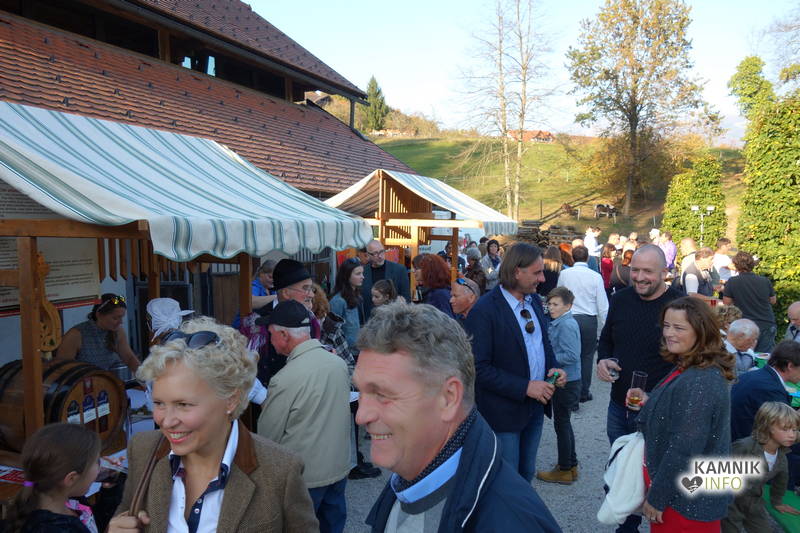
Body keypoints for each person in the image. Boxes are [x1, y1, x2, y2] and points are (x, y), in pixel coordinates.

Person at [354, 301, 562, 532]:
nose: (361, 416)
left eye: (382, 394)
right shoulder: (409, 474)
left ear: (449, 397)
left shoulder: (512, 521)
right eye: (360, 392)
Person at [109, 316, 318, 532]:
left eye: (183, 404)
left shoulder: (280, 471)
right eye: (159, 403)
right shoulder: (143, 450)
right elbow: (126, 513)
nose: (167, 421)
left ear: (231, 399)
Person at [595, 244, 682, 533]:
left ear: (665, 272)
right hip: (619, 406)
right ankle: (627, 527)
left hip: (660, 412)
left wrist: (657, 398)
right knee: (621, 473)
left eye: (648, 271)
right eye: (635, 270)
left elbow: (689, 360)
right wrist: (603, 359)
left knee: (658, 475)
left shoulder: (679, 306)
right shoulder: (620, 299)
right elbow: (606, 339)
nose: (640, 277)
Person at [464, 243, 566, 482]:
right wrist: (526, 387)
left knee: (526, 474)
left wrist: (553, 366)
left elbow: (543, 344)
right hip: (503, 414)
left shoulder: (534, 301)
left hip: (535, 408)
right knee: (506, 480)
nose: (543, 279)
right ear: (517, 272)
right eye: (537, 273)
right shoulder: (485, 310)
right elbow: (478, 368)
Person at [632, 297, 734, 530]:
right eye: (666, 326)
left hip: (684, 503)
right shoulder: (691, 364)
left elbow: (686, 447)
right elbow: (682, 412)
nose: (669, 333)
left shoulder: (701, 379)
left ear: (701, 331)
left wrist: (658, 497)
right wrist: (650, 401)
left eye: (678, 328)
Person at [258, 301, 352, 533]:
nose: (270, 341)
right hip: (338, 467)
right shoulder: (338, 364)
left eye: (270, 334)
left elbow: (269, 437)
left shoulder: (285, 378)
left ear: (284, 335)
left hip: (304, 477)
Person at [3, 423, 101, 533]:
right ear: (71, 479)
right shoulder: (50, 529)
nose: (100, 467)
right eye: (97, 462)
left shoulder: (70, 500)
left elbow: (92, 525)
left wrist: (110, 489)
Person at [242, 258, 322, 386]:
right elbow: (247, 370)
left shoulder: (311, 318)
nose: (312, 295)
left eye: (311, 289)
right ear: (286, 293)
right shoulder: (256, 322)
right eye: (306, 288)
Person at [722, 402, 800, 533]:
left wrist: (777, 502)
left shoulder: (781, 456)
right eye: (785, 429)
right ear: (767, 426)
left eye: (795, 430)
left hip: (754, 502)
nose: (792, 435)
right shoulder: (744, 447)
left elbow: (781, 481)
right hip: (731, 501)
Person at [536, 286, 582, 484]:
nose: (551, 308)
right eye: (549, 304)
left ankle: (564, 469)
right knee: (564, 423)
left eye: (556, 304)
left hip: (567, 381)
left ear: (568, 306)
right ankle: (570, 465)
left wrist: (548, 359)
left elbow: (572, 355)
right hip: (566, 380)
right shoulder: (560, 322)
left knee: (561, 424)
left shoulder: (566, 325)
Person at [557, 245, 608, 404]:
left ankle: (568, 392)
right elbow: (602, 305)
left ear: (573, 257)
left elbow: (558, 296)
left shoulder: (564, 274)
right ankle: (583, 392)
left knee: (569, 355)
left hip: (568, 317)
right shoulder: (596, 276)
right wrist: (606, 326)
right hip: (588, 320)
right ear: (587, 258)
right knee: (586, 357)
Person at [730, 340, 800, 441]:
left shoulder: (751, 375)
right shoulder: (771, 389)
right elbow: (783, 432)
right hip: (744, 445)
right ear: (790, 366)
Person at [55, 293, 140, 373]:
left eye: (121, 317)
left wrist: (144, 376)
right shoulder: (76, 335)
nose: (120, 322)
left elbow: (129, 358)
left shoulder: (118, 331)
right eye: (115, 318)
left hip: (107, 380)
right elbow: (62, 369)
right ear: (98, 315)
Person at [723, 251, 778, 352]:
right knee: (764, 355)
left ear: (736, 265)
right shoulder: (764, 280)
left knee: (745, 353)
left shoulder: (732, 281)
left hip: (745, 325)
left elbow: (726, 303)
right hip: (766, 321)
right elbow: (773, 300)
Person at [361, 239, 411, 318]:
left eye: (382, 251)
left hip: (393, 320)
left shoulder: (399, 270)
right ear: (368, 255)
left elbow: (406, 298)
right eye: (375, 253)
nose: (380, 256)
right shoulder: (362, 272)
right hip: (369, 320)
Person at [329, 258, 365, 350]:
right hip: (345, 351)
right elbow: (332, 331)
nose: (362, 277)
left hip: (359, 348)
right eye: (358, 274)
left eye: (362, 273)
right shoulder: (338, 301)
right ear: (346, 276)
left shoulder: (358, 296)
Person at [232, 259, 277, 329]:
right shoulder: (254, 286)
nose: (273, 280)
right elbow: (251, 302)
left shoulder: (272, 289)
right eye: (270, 277)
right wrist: (276, 297)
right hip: (243, 328)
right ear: (261, 274)